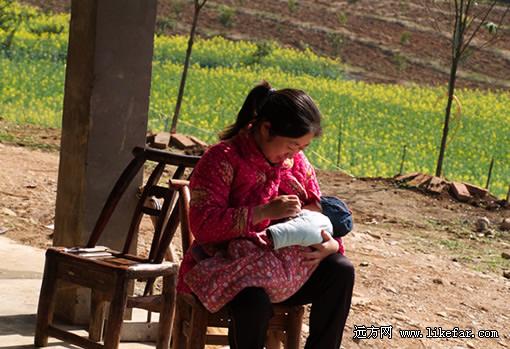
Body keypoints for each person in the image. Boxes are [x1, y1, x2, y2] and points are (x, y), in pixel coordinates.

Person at [176, 81, 355, 349]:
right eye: (292, 145)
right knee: (253, 300)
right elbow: (203, 226)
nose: (294, 154)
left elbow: (315, 216)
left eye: (301, 148)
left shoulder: (296, 164)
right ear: (266, 128)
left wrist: (330, 245)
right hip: (228, 268)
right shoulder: (222, 158)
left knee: (341, 271)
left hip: (287, 269)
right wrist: (263, 212)